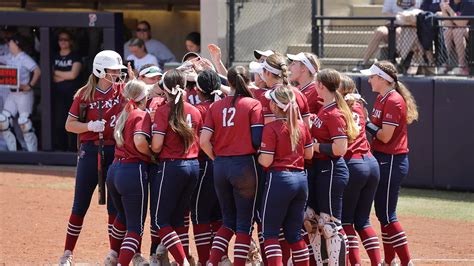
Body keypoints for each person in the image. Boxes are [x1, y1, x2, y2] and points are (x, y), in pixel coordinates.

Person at [58, 50, 128, 266]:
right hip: (90, 150)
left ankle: (113, 254)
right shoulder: (84, 94)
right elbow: (69, 125)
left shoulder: (122, 91)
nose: (117, 74)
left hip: (115, 151)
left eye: (118, 70)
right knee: (80, 204)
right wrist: (88, 126)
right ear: (100, 70)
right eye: (112, 70)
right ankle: (67, 253)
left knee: (115, 207)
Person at [200, 66, 264, 266]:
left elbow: (204, 141)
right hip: (244, 165)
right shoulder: (253, 104)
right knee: (244, 223)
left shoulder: (215, 106)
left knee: (227, 221)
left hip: (221, 166)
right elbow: (256, 141)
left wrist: (216, 158)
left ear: (229, 82)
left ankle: (212, 262)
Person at [360, 61, 418, 266]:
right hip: (384, 159)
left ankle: (405, 262)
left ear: (383, 79)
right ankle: (389, 260)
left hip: (392, 159)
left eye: (372, 77)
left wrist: (364, 122)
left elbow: (385, 136)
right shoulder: (381, 98)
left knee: (387, 214)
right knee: (383, 213)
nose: (369, 80)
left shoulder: (393, 100)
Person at [149, 69, 202, 266]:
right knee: (179, 218)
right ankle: (184, 258)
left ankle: (182, 262)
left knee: (160, 220)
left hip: (172, 166)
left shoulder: (164, 111)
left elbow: (156, 145)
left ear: (165, 89)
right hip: (193, 165)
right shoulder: (194, 110)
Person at [258, 86, 314, 266]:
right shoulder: (302, 126)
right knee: (294, 234)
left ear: (275, 106)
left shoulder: (271, 128)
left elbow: (266, 161)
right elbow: (309, 155)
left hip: (280, 180)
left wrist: (257, 154)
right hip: (300, 180)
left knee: (270, 234)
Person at [311, 69, 359, 266]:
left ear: (321, 86)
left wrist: (314, 146)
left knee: (332, 225)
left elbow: (340, 148)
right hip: (322, 169)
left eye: (316, 83)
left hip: (331, 169)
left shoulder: (335, 113)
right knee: (320, 223)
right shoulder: (326, 108)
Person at [338, 75, 382, 266]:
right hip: (371, 163)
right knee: (363, 221)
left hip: (353, 164)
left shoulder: (341, 108)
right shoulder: (359, 106)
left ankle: (355, 263)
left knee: (347, 221)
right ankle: (376, 263)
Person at [106, 79, 152, 265]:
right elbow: (140, 141)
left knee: (122, 217)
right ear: (144, 97)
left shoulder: (125, 112)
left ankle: (112, 255)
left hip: (115, 170)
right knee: (135, 228)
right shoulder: (141, 114)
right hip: (132, 171)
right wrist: (151, 155)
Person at [190, 70, 224, 265]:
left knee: (200, 214)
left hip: (204, 164)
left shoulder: (197, 109)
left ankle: (205, 260)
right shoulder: (223, 105)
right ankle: (219, 258)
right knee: (218, 215)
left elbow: (199, 142)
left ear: (197, 89)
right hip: (227, 165)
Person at [352, 0, 422, 71]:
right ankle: (364, 63)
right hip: (392, 24)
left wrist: (406, 20)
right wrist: (400, 18)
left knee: (402, 32)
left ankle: (401, 64)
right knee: (379, 31)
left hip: (410, 28)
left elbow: (420, 14)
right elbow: (386, 13)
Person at [0, 33, 41, 152]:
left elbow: (37, 71)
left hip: (24, 94)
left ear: (17, 44)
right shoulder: (9, 56)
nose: (9, 45)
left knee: (24, 122)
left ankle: (33, 154)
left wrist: (30, 85)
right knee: (3, 120)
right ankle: (14, 152)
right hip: (12, 94)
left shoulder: (24, 57)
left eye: (11, 42)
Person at [249, 53, 311, 126]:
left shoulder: (267, 96)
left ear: (268, 73)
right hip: (299, 136)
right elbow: (307, 126)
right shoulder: (299, 93)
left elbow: (269, 129)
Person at [52, 30, 82, 151]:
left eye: (66, 39)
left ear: (70, 41)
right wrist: (65, 75)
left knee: (73, 121)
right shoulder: (54, 55)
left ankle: (72, 148)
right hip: (57, 95)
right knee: (59, 122)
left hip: (72, 95)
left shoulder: (75, 56)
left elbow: (73, 75)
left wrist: (56, 73)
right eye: (61, 39)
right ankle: (61, 147)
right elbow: (51, 76)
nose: (63, 42)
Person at [439, 0, 474, 75]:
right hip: (458, 29)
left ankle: (462, 66)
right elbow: (448, 24)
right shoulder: (450, 3)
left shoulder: (468, 2)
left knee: (457, 31)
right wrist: (443, 10)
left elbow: (462, 23)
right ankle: (446, 63)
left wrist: (449, 10)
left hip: (471, 31)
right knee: (447, 32)